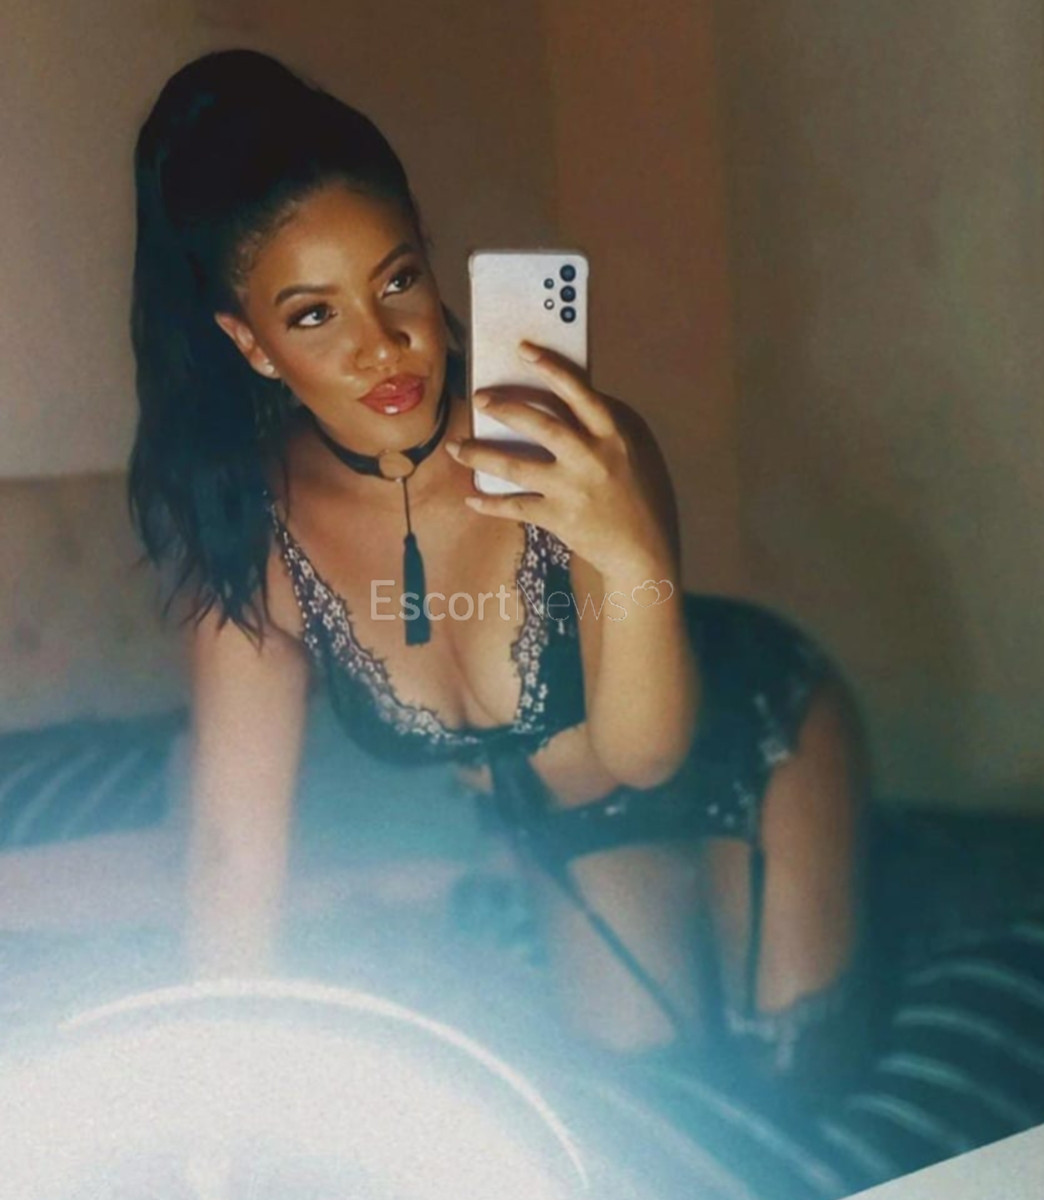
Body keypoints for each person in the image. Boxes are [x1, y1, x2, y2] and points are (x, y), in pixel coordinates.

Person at [128, 47, 869, 1116]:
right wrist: (217, 1097)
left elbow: (647, 752)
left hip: (748, 740)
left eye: (396, 280)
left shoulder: (574, 446)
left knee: (793, 1082)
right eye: (314, 314)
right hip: (567, 824)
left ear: (432, 263)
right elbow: (231, 851)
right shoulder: (254, 535)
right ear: (251, 344)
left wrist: (628, 548)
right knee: (641, 1107)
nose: (383, 346)